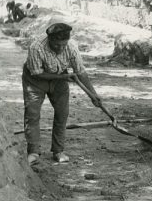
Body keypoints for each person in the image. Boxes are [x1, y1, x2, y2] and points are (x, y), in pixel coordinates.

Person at [22, 17, 102, 166]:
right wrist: (64, 76)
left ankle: (58, 151)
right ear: (49, 39)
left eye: (63, 45)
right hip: (35, 80)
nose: (60, 48)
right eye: (56, 45)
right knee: (32, 114)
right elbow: (37, 73)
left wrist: (93, 94)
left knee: (62, 113)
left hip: (59, 80)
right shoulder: (36, 48)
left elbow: (81, 72)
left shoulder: (71, 47)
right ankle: (33, 151)